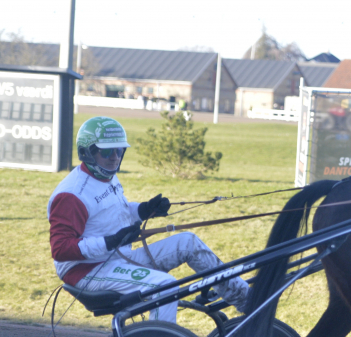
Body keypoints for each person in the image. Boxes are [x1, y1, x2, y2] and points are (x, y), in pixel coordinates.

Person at [47, 116, 249, 322]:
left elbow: (113, 213)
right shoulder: (71, 195)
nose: (115, 157)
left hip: (116, 258)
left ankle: (247, 301)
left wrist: (144, 210)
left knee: (188, 242)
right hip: (86, 271)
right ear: (87, 152)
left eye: (119, 151)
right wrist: (112, 241)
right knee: (165, 287)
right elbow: (60, 249)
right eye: (107, 151)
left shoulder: (105, 174)